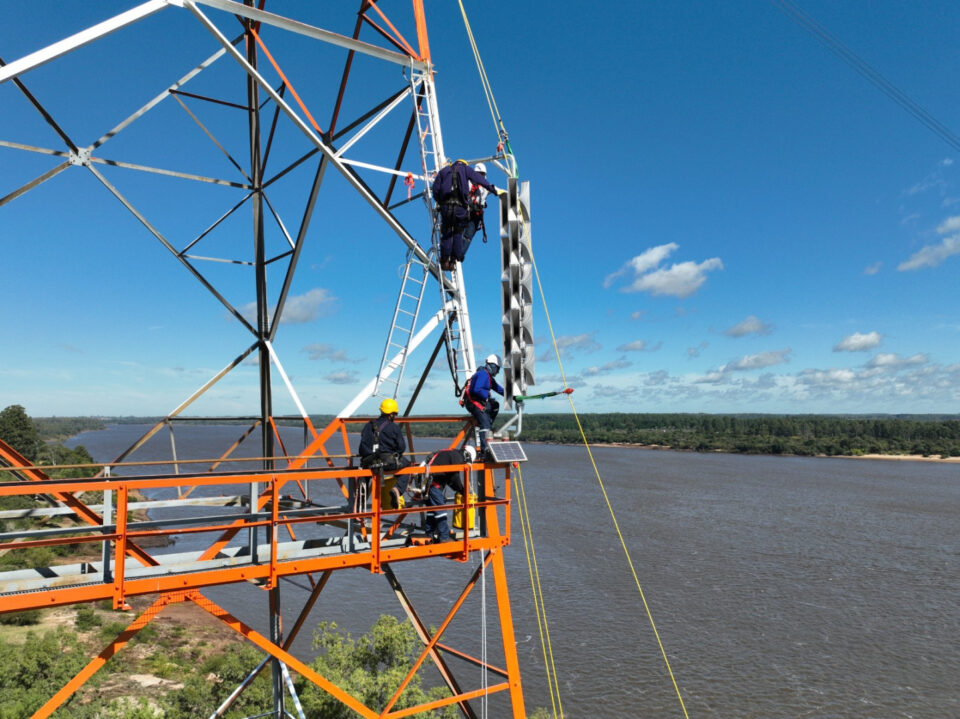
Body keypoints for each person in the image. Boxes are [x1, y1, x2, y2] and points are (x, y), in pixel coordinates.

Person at [432, 159, 499, 270]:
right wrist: (493, 189)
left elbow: (436, 189)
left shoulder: (443, 171)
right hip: (460, 208)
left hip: (446, 207)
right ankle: (453, 260)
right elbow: (480, 180)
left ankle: (444, 261)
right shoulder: (466, 169)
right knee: (458, 233)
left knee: (447, 232)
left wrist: (440, 201)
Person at [358, 398, 411, 507]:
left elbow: (362, 448)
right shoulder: (393, 428)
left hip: (369, 464)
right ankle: (397, 489)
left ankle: (360, 502)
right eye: (394, 415)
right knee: (407, 466)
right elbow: (401, 448)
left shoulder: (368, 426)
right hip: (386, 463)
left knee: (366, 476)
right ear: (391, 414)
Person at [422, 444, 477, 542]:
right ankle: (444, 536)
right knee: (441, 511)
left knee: (432, 511)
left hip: (429, 485)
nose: (465, 463)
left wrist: (459, 489)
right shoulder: (457, 457)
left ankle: (429, 534)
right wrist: (463, 491)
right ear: (467, 455)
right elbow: (454, 478)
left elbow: (450, 479)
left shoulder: (451, 454)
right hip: (434, 486)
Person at [461, 354, 504, 454]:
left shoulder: (487, 376)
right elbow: (476, 389)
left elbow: (498, 388)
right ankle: (485, 451)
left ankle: (487, 428)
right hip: (473, 403)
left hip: (477, 402)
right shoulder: (482, 374)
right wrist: (486, 395)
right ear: (493, 366)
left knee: (495, 406)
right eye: (497, 369)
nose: (497, 372)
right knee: (484, 423)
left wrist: (511, 395)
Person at [462, 162, 491, 256]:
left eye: (483, 174)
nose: (482, 176)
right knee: (461, 234)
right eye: (481, 174)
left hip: (475, 214)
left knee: (467, 236)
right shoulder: (470, 182)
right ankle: (456, 253)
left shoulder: (485, 186)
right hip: (467, 211)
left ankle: (459, 254)